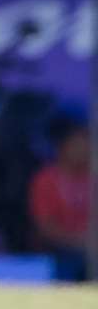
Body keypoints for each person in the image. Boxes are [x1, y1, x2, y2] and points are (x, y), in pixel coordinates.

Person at [27, 115, 90, 283]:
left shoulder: (92, 177)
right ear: (62, 145)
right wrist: (80, 242)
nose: (86, 147)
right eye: (79, 142)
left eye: (88, 141)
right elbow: (45, 227)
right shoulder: (46, 180)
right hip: (59, 254)